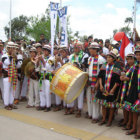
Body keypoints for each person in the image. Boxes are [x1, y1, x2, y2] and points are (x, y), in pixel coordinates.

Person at [96, 50, 121, 126]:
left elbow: (118, 80)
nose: (108, 58)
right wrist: (100, 85)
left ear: (113, 59)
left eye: (110, 57)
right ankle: (103, 119)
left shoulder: (117, 67)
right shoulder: (104, 65)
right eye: (107, 57)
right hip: (103, 88)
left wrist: (113, 89)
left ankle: (109, 120)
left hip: (112, 89)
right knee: (103, 104)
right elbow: (100, 76)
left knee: (111, 106)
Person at [85, 42, 106, 123]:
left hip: (96, 82)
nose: (90, 50)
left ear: (96, 50)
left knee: (95, 100)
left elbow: (102, 74)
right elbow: (88, 70)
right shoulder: (90, 58)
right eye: (90, 49)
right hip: (90, 81)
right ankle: (90, 114)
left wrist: (98, 83)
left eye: (92, 49)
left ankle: (95, 117)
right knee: (89, 99)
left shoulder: (101, 59)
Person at [122, 46, 140, 135]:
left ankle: (139, 131)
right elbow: (129, 77)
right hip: (133, 90)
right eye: (137, 54)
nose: (138, 56)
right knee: (133, 110)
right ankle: (133, 128)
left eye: (139, 54)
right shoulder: (135, 66)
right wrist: (124, 78)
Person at [69, 42, 89, 117]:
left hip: (80, 76)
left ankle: (79, 110)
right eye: (74, 48)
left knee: (80, 93)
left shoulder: (85, 55)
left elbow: (86, 64)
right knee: (72, 91)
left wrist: (78, 65)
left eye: (77, 48)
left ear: (80, 48)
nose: (75, 49)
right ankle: (72, 107)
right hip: (72, 76)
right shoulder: (71, 56)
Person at [2, 42, 18, 110]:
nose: (12, 49)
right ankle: (6, 104)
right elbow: (7, 63)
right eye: (11, 48)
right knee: (6, 90)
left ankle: (11, 103)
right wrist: (11, 57)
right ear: (8, 48)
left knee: (12, 90)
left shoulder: (14, 57)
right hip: (7, 76)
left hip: (13, 76)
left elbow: (17, 66)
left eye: (13, 48)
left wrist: (16, 58)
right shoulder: (4, 56)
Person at [37, 45, 54, 112]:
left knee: (47, 92)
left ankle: (48, 106)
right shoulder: (42, 57)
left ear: (49, 51)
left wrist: (42, 60)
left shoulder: (52, 58)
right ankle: (42, 105)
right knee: (41, 91)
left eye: (46, 50)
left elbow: (48, 67)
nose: (44, 52)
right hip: (41, 76)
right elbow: (37, 66)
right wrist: (38, 61)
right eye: (43, 50)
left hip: (48, 77)